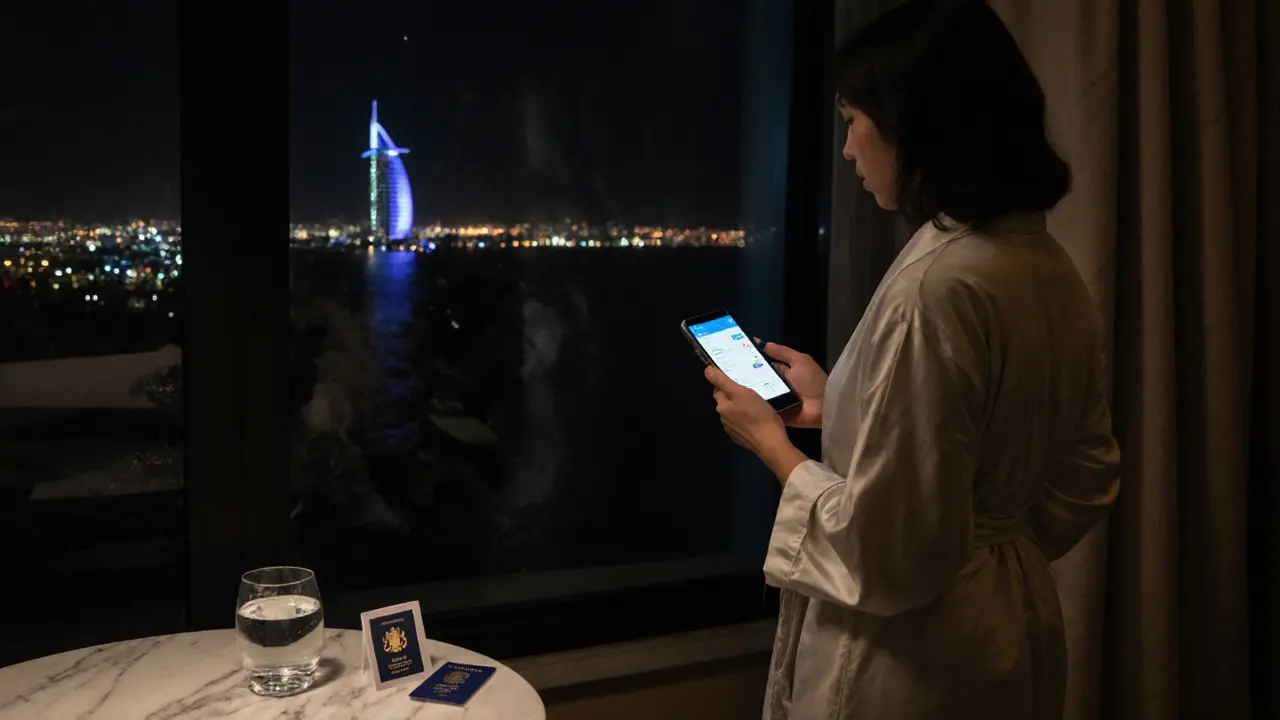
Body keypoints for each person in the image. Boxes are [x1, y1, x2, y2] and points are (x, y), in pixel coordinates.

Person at [703, 0, 1122, 718]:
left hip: (918, 660)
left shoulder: (937, 287)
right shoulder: (1042, 262)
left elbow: (888, 549)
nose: (847, 149)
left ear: (913, 125)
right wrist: (844, 404)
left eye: (853, 121)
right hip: (1013, 623)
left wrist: (773, 444)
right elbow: (1084, 472)